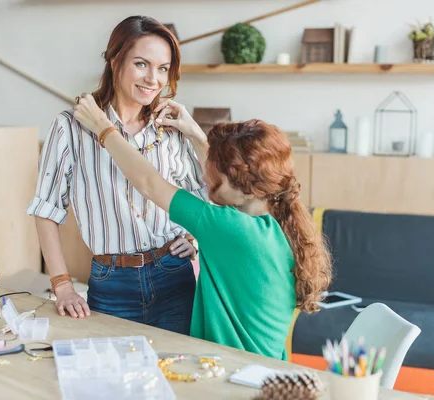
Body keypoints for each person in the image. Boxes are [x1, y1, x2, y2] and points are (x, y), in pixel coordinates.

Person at [72, 93, 333, 360]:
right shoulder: (276, 223)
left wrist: (102, 128)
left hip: (235, 378)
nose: (206, 177)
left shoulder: (231, 229)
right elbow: (234, 178)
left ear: (249, 189)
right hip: (268, 370)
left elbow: (150, 184)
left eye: (216, 176)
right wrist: (195, 133)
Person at [26, 16, 207, 335]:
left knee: (180, 375)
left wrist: (193, 238)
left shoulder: (169, 127)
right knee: (112, 378)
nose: (154, 79)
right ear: (115, 59)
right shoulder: (70, 127)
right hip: (111, 283)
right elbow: (45, 210)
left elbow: (203, 193)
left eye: (163, 68)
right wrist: (62, 285)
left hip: (173, 275)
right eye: (142, 64)